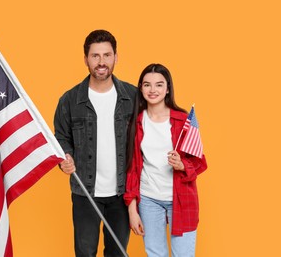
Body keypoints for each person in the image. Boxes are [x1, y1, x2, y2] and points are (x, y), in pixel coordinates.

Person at [54, 29, 137, 257]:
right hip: (85, 193)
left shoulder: (133, 96)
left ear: (116, 57)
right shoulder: (70, 100)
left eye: (107, 55)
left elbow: (146, 135)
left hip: (122, 193)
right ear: (86, 60)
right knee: (84, 253)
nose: (101, 62)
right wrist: (65, 158)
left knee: (117, 253)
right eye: (95, 56)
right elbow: (61, 138)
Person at [124, 63, 208, 256]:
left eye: (159, 84)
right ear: (141, 87)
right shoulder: (136, 122)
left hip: (181, 199)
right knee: (155, 254)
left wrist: (182, 164)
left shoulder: (182, 120)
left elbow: (200, 162)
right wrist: (132, 209)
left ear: (168, 88)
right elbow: (132, 168)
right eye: (147, 85)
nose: (153, 90)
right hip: (148, 200)